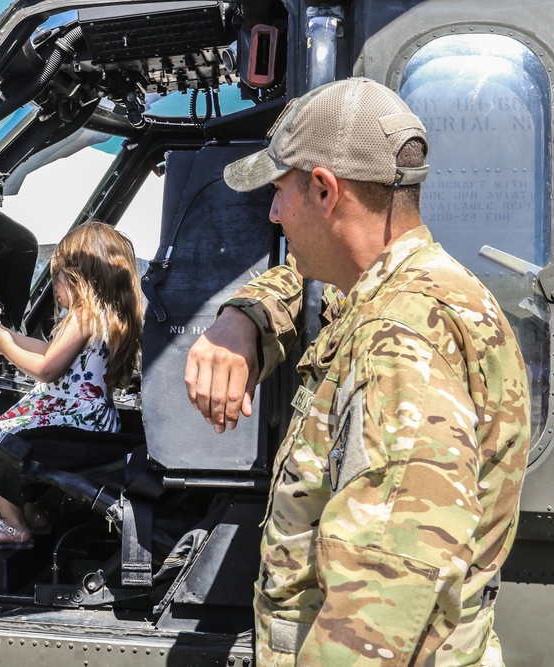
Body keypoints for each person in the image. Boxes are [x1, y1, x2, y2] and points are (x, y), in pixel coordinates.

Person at [184, 78, 530, 665]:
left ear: (324, 191)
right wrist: (245, 318)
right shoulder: (400, 290)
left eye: (278, 191)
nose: (272, 213)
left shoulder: (402, 344)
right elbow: (310, 284)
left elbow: (381, 615)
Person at [0, 220, 143, 549]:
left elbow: (46, 369)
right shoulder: (104, 314)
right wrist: (10, 337)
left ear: (77, 277)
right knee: (11, 442)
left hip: (72, 416)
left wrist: (6, 348)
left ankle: (13, 524)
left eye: (56, 279)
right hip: (92, 416)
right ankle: (33, 513)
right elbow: (52, 352)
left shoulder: (83, 315)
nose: (55, 289)